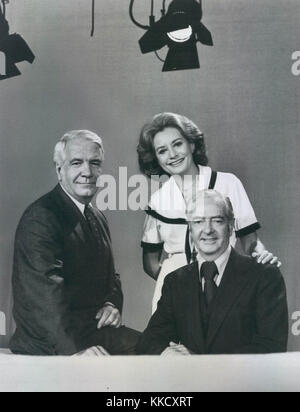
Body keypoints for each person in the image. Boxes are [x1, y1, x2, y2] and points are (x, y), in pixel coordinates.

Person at [10, 130, 140, 356]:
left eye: (95, 163)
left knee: (160, 348)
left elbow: (111, 276)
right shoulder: (42, 217)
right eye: (77, 162)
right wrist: (74, 352)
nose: (87, 172)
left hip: (90, 331)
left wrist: (112, 304)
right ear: (60, 170)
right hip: (51, 343)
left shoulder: (97, 216)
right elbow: (43, 298)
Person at [137, 112, 281, 313]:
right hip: (175, 292)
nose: (172, 154)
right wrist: (178, 282)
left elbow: (250, 241)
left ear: (192, 144)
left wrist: (261, 254)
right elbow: (150, 262)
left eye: (177, 144)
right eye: (162, 150)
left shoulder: (228, 183)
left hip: (222, 279)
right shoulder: (157, 200)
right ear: (156, 158)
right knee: (173, 345)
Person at [136, 190, 288, 355]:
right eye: (199, 221)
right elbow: (149, 341)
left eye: (217, 221)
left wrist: (203, 365)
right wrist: (166, 352)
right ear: (190, 229)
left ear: (230, 227)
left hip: (243, 380)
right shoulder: (175, 281)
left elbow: (271, 346)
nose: (207, 230)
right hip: (189, 380)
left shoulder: (264, 275)